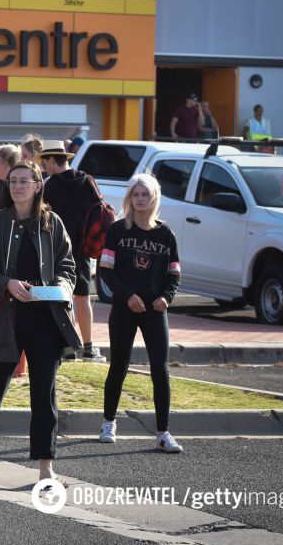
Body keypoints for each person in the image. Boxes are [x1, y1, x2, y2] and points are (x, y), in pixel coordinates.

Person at [0, 160, 80, 481]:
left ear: (38, 185)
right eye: (12, 181)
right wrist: (6, 284)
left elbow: (69, 266)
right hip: (3, 319)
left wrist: (63, 287)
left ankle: (46, 468)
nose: (16, 186)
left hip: (45, 321)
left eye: (24, 181)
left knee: (45, 397)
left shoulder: (52, 223)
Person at [97, 173, 182, 453]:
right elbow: (105, 271)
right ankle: (108, 422)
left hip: (154, 311)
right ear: (129, 198)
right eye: (136, 194)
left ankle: (163, 432)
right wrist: (128, 296)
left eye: (146, 194)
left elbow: (174, 273)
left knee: (160, 369)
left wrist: (166, 298)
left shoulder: (165, 234)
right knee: (118, 365)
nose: (141, 199)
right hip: (125, 308)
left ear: (155, 197)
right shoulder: (118, 230)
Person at [40, 140, 104, 362]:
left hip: (55, 251)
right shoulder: (87, 181)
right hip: (82, 249)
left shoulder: (50, 186)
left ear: (52, 160)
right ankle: (88, 347)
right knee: (82, 298)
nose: (44, 166)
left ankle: (68, 347)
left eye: (44, 161)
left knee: (61, 298)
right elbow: (101, 211)